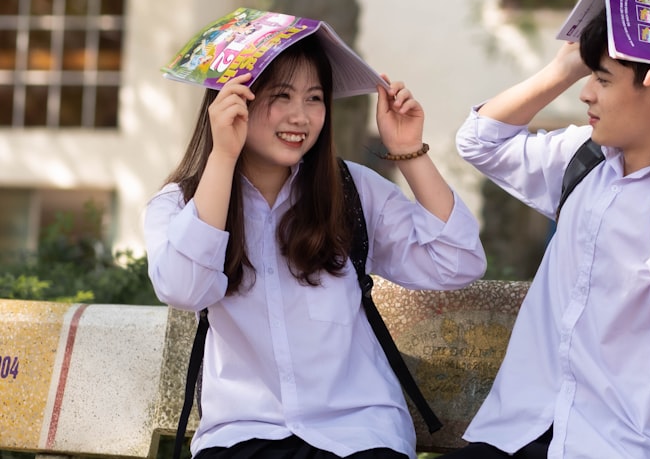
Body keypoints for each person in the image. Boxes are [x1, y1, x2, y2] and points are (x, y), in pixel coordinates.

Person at [144, 33, 487, 459]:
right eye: (281, 96)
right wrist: (223, 158)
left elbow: (458, 262)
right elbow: (183, 290)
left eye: (314, 98)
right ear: (235, 100)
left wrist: (409, 152)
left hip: (358, 434)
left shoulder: (351, 192)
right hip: (243, 437)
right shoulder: (179, 204)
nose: (300, 117)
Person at [445, 12, 650, 458]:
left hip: (617, 444)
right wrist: (564, 67)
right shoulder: (584, 158)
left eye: (603, 80)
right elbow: (479, 141)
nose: (585, 93)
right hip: (518, 431)